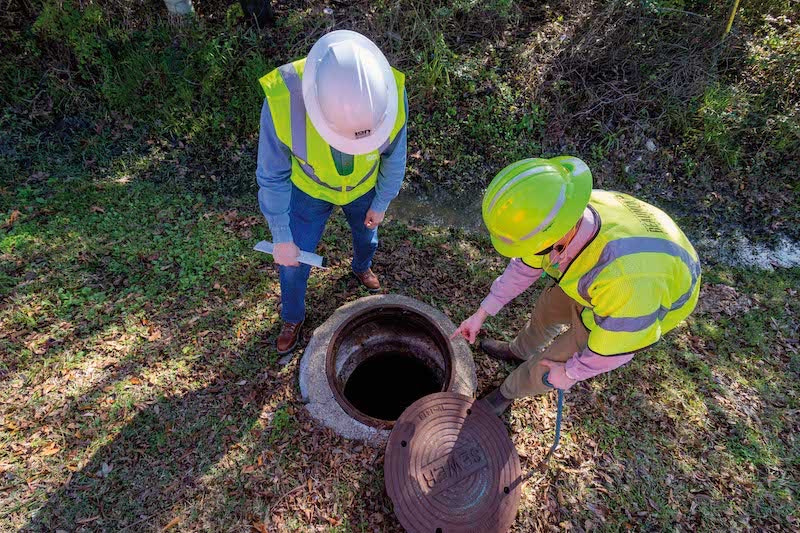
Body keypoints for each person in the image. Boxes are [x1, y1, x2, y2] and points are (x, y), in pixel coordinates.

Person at [452, 156, 701, 415]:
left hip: (637, 297)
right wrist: (482, 313)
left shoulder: (626, 286)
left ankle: (506, 393)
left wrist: (570, 373)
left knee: (552, 362)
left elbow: (615, 349)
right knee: (547, 310)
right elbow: (524, 266)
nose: (526, 252)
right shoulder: (559, 210)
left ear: (554, 238)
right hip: (600, 268)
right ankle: (519, 351)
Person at [256, 30, 408, 354]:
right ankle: (292, 316)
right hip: (309, 190)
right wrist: (281, 235)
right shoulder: (283, 99)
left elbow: (395, 156)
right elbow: (272, 175)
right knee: (293, 260)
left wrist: (381, 202)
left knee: (367, 236)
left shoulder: (390, 91)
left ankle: (361, 266)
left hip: (363, 188)